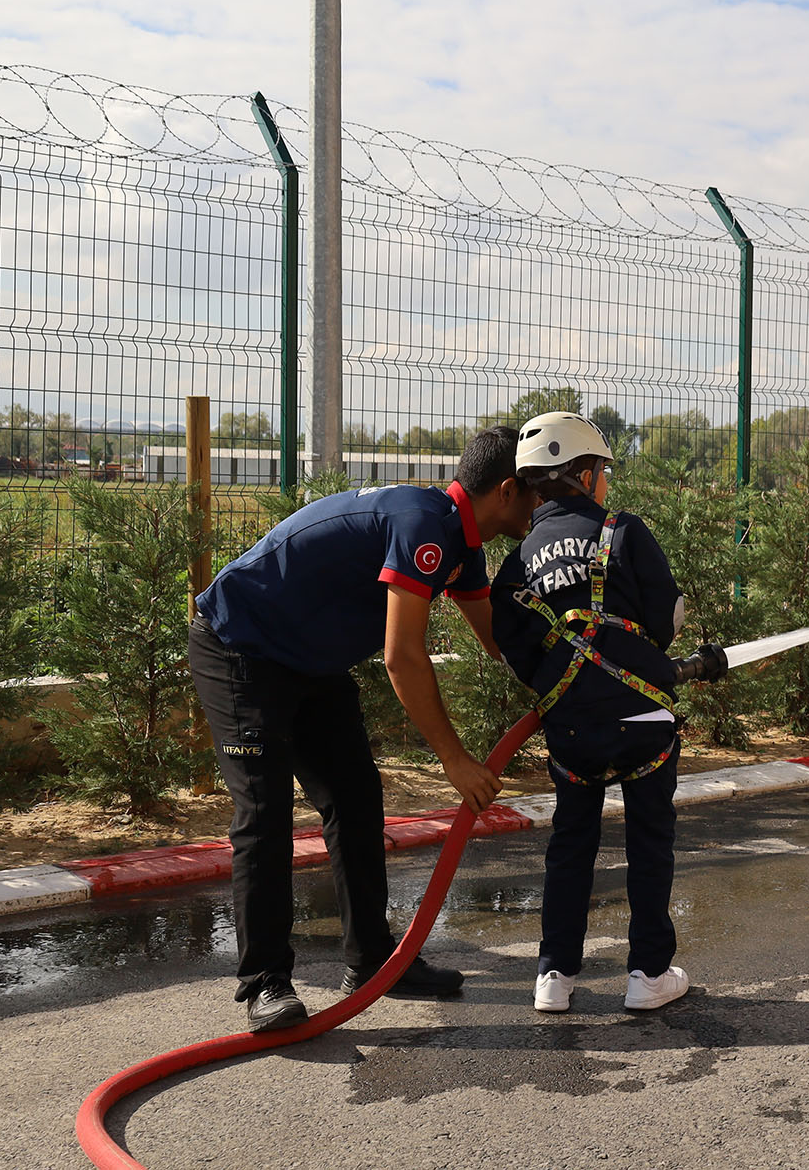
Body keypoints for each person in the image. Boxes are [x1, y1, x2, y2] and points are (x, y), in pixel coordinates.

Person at [188, 426, 537, 1032]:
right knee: (265, 810)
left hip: (308, 663)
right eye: (538, 493)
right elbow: (403, 657)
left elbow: (497, 641)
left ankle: (374, 961)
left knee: (354, 797)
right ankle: (265, 983)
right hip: (240, 647)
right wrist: (455, 760)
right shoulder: (424, 525)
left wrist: (574, 680)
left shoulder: (462, 540)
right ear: (507, 491)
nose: (543, 507)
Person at [491, 412, 727, 1015]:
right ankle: (648, 975)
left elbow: (516, 655)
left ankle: (554, 975)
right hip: (644, 722)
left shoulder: (515, 567)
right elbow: (665, 623)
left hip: (571, 730)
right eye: (602, 470)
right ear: (586, 474)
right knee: (650, 840)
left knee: (571, 842)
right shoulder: (623, 531)